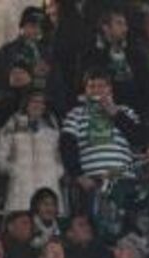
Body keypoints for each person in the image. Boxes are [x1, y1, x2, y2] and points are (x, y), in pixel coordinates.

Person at [60, 67, 143, 200]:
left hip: (123, 180)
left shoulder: (125, 111)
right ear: (85, 90)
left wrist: (116, 114)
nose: (96, 90)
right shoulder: (75, 114)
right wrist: (79, 175)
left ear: (110, 88)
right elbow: (67, 147)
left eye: (101, 86)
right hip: (92, 181)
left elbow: (139, 138)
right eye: (91, 86)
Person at [0, 90, 65, 213]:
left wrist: (56, 171)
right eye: (34, 101)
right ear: (26, 103)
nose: (38, 105)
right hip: (20, 190)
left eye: (42, 102)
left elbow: (61, 156)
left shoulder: (53, 128)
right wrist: (14, 170)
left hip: (48, 186)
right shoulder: (12, 125)